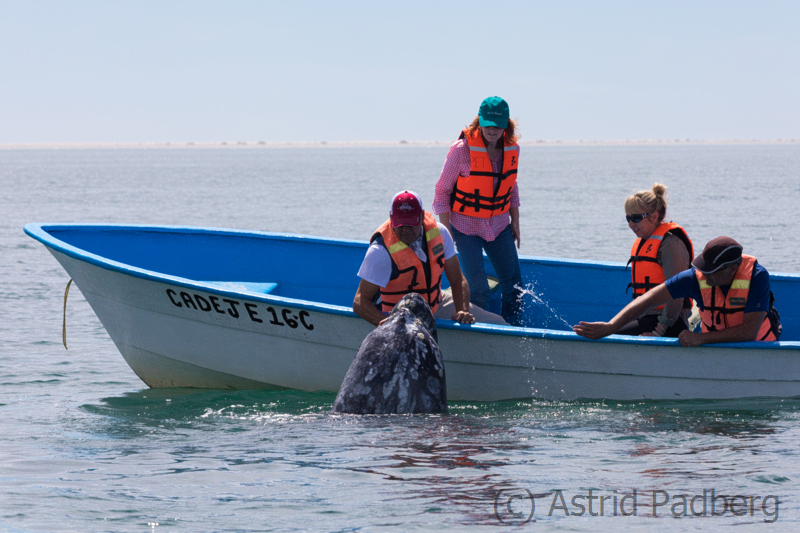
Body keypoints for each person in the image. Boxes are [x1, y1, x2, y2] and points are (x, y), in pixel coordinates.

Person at [573, 237, 782, 347]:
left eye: (711, 273)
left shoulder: (757, 277)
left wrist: (700, 339)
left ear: (731, 269)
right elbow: (647, 299)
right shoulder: (695, 277)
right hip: (716, 351)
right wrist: (611, 326)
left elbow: (748, 333)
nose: (705, 277)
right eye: (702, 270)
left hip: (758, 351)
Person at [353, 191, 507, 327]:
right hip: (399, 315)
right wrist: (388, 327)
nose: (406, 230)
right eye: (400, 225)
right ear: (391, 217)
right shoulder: (380, 251)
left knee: (499, 324)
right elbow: (360, 303)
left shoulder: (440, 232)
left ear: (421, 217)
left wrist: (462, 311)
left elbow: (458, 280)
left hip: (436, 302)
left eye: (411, 224)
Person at [432, 96, 524, 325]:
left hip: (499, 226)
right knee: (479, 290)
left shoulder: (512, 149)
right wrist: (447, 234)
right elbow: (442, 192)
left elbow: (511, 184)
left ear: (506, 125)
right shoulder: (461, 151)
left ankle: (511, 331)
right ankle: (479, 339)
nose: (492, 130)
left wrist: (515, 220)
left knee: (515, 287)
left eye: (498, 125)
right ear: (479, 122)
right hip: (464, 228)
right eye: (488, 124)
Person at [620, 183, 694, 337]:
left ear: (653, 217)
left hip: (669, 323)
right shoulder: (644, 241)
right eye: (628, 218)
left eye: (636, 218)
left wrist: (659, 331)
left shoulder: (670, 244)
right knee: (607, 332)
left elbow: (677, 292)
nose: (630, 224)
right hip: (646, 317)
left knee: (611, 337)